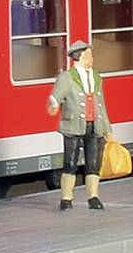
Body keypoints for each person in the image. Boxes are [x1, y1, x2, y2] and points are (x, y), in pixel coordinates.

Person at [47, 40, 113, 211]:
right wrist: (53, 106)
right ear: (81, 57)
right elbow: (55, 99)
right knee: (70, 163)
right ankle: (66, 198)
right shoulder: (66, 78)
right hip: (73, 126)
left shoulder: (97, 77)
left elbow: (101, 104)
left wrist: (107, 128)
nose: (92, 59)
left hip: (94, 125)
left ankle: (93, 197)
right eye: (89, 55)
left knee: (93, 162)